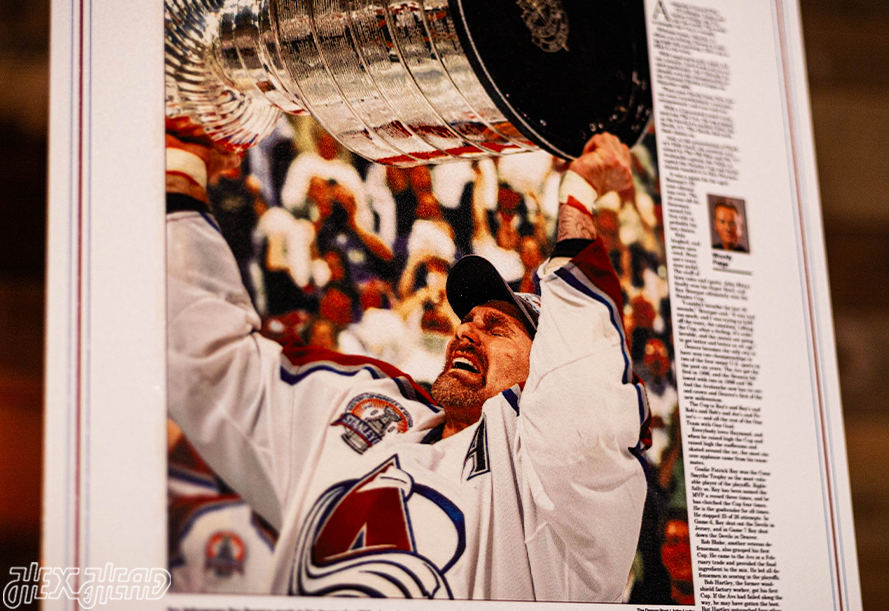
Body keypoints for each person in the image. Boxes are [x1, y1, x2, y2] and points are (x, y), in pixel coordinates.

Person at [165, 132, 650, 601]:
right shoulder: (361, 409)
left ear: (542, 371)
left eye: (497, 327)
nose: (466, 330)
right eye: (468, 319)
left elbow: (583, 399)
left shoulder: (558, 507)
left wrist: (579, 193)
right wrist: (181, 170)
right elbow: (212, 363)